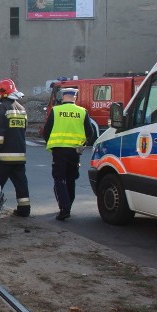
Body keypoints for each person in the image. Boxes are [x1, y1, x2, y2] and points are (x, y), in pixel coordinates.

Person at [42, 87, 98, 221]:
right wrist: (82, 145)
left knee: (59, 179)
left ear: (63, 97)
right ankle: (69, 205)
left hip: (59, 150)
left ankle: (64, 208)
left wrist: (51, 143)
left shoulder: (56, 110)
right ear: (75, 97)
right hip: (74, 152)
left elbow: (46, 131)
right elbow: (90, 133)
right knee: (71, 179)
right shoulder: (82, 111)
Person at [0, 79, 30, 217]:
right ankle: (24, 210)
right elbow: (23, 131)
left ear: (3, 93)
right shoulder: (22, 109)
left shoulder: (2, 108)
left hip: (3, 157)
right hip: (19, 156)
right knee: (21, 184)